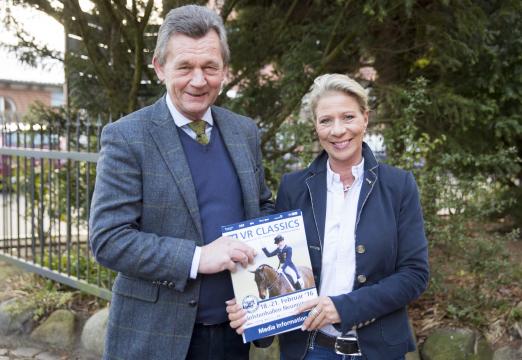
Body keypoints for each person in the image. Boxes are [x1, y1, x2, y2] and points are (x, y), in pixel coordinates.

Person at [89, 5, 273, 360]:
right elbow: (109, 240)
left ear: (224, 70)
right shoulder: (128, 137)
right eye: (185, 67)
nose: (199, 80)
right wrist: (198, 257)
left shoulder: (243, 131)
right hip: (156, 337)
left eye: (210, 67)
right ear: (160, 68)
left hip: (235, 332)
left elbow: (261, 206)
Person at [227, 73, 429, 360]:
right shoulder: (293, 187)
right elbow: (272, 261)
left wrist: (345, 308)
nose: (337, 130)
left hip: (379, 351)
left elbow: (414, 274)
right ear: (316, 127)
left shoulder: (399, 186)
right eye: (326, 121)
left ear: (365, 119)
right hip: (311, 350)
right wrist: (254, 312)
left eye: (348, 117)